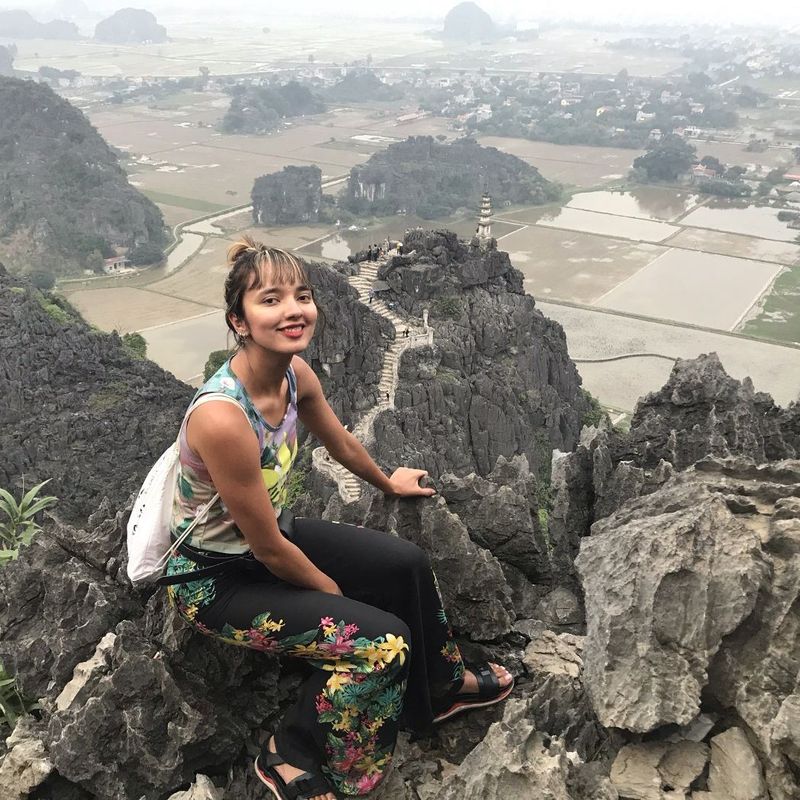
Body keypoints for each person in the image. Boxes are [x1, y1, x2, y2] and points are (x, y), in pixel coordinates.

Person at [164, 237, 513, 800]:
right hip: (213, 579)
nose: (293, 309)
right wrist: (335, 597)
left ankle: (442, 687)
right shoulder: (223, 416)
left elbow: (341, 441)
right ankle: (293, 752)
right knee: (381, 643)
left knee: (406, 563)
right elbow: (270, 550)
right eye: (270, 300)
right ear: (240, 321)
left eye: (301, 295)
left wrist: (385, 481)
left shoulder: (294, 375)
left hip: (266, 541)